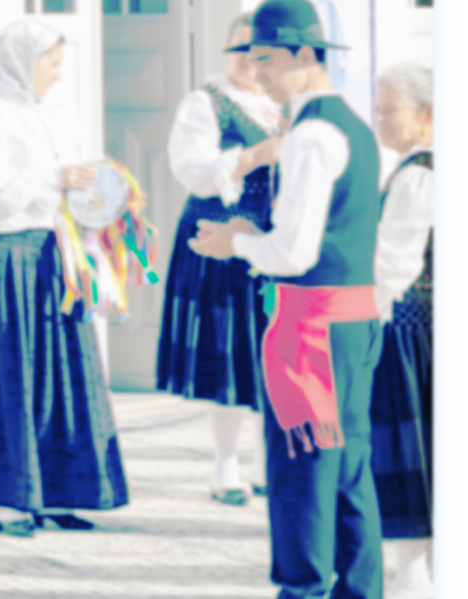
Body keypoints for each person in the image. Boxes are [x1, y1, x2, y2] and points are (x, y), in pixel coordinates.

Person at [187, 1, 385, 596]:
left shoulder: (310, 135)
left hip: (313, 328)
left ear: (306, 55)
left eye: (266, 59)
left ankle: (301, 589)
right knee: (348, 472)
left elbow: (294, 253)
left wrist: (237, 244)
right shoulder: (353, 122)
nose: (257, 72)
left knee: (302, 471)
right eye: (250, 58)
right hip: (353, 322)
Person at [0, 19, 129, 538]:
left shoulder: (42, 116)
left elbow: (62, 185)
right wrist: (55, 179)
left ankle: (58, 491)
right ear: (23, 61)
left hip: (50, 258)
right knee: (11, 376)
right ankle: (12, 500)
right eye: (53, 64)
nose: (58, 76)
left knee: (59, 376)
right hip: (4, 260)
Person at [156, 11, 282, 507]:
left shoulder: (284, 105)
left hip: (272, 242)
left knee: (268, 349)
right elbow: (193, 172)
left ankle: (266, 459)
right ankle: (224, 464)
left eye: (261, 50)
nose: (252, 58)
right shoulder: (205, 102)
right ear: (226, 51)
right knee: (228, 351)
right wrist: (253, 157)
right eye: (242, 48)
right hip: (218, 238)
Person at [370, 63, 434, 599]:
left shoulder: (419, 175)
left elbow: (391, 264)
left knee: (415, 468)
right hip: (428, 336)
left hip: (413, 337)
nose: (380, 118)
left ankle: (414, 584)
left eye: (389, 108)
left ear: (427, 115)